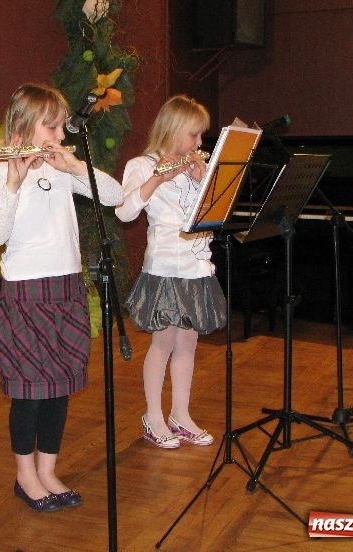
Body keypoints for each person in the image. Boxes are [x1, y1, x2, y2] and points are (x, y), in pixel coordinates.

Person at [0, 83, 123, 511]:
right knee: (30, 392)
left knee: (58, 389)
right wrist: (14, 178)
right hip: (26, 296)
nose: (61, 134)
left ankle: (47, 469)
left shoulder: (63, 169)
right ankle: (25, 476)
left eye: (62, 125)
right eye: (53, 126)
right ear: (23, 125)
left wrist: (76, 167)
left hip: (65, 292)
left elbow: (115, 197)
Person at [115, 94, 227, 449]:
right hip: (164, 266)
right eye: (194, 135)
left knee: (188, 344)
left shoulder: (196, 168)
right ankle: (154, 416)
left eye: (200, 137)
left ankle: (181, 414)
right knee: (162, 343)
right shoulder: (141, 164)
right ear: (174, 130)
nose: (198, 144)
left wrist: (200, 181)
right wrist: (160, 177)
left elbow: (210, 214)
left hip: (197, 266)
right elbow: (124, 212)